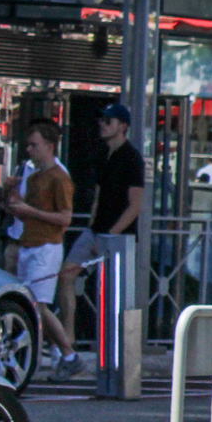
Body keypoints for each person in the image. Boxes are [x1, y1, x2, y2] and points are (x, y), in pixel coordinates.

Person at [60, 101, 145, 356]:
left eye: (108, 121)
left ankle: (114, 347)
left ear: (122, 126)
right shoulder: (102, 154)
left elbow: (135, 205)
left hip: (118, 237)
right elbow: (99, 192)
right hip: (97, 229)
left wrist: (112, 234)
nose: (102, 125)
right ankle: (68, 337)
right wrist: (93, 225)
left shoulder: (132, 158)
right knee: (66, 275)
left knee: (113, 293)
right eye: (102, 121)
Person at [4, 119, 81, 378]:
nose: (29, 150)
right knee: (33, 304)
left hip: (47, 247)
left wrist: (29, 211)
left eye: (34, 146)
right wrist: (12, 198)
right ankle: (59, 352)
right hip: (29, 243)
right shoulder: (35, 177)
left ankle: (67, 353)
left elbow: (65, 219)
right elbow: (23, 211)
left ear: (49, 146)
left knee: (39, 305)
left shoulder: (60, 179)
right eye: (29, 145)